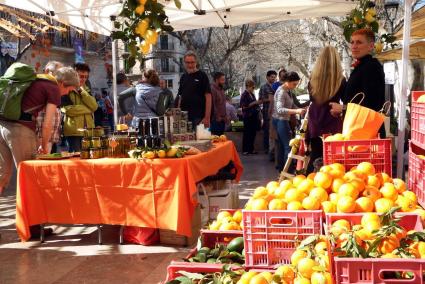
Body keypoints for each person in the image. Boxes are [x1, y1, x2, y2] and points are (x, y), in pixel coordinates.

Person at [0, 63, 61, 220]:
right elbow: (47, 123)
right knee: (29, 178)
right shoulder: (53, 87)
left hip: (2, 126)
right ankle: (31, 224)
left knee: (3, 174)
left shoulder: (33, 81)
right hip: (21, 130)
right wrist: (43, 143)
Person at [329, 28, 386, 137]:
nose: (354, 46)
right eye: (352, 42)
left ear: (371, 46)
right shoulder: (362, 66)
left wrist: (343, 108)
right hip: (359, 131)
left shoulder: (371, 67)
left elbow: (373, 104)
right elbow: (354, 97)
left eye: (359, 42)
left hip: (367, 134)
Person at [306, 46, 347, 174]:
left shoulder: (313, 78)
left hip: (315, 116)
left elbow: (311, 98)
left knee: (315, 154)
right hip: (332, 117)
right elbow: (345, 100)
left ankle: (310, 180)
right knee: (333, 157)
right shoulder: (340, 80)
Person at [272, 72, 307, 171]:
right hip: (280, 120)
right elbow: (280, 109)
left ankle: (282, 170)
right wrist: (296, 111)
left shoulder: (288, 90)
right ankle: (288, 171)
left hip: (283, 120)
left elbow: (291, 106)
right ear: (287, 82)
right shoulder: (281, 91)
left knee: (282, 147)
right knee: (288, 146)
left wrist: (301, 109)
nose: (295, 86)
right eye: (294, 84)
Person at [61, 67, 98, 152]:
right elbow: (68, 110)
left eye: (86, 77)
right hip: (74, 132)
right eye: (81, 76)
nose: (84, 79)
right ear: (74, 76)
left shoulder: (86, 89)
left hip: (89, 130)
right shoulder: (66, 89)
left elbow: (95, 107)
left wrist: (81, 91)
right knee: (76, 158)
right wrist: (89, 109)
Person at [175, 51, 211, 128]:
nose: (190, 65)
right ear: (184, 63)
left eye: (192, 62)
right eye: (187, 62)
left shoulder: (202, 76)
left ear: (196, 62)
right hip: (184, 117)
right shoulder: (183, 77)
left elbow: (208, 97)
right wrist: (176, 115)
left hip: (199, 118)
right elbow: (180, 97)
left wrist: (207, 117)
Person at [35, 61, 65, 154]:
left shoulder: (50, 86)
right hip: (42, 137)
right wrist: (43, 145)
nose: (61, 78)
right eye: (59, 73)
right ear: (47, 71)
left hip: (48, 137)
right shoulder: (46, 86)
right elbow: (44, 122)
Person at [240, 79, 262, 155]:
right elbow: (244, 106)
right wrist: (254, 103)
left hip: (254, 116)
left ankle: (251, 149)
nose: (253, 89)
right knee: (247, 133)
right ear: (248, 86)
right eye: (252, 87)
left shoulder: (252, 94)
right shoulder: (244, 95)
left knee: (253, 133)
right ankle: (245, 150)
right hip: (247, 116)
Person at [259, 70, 277, 154]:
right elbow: (261, 99)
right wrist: (270, 99)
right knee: (267, 131)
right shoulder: (263, 87)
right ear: (267, 77)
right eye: (272, 77)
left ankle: (274, 149)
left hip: (276, 111)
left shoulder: (277, 86)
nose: (273, 78)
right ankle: (266, 149)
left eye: (274, 77)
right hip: (266, 111)